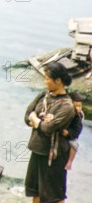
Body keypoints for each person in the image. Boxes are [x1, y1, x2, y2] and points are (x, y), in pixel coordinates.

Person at [24, 62, 75, 203]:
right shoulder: (43, 96)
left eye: (47, 78)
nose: (45, 81)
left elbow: (48, 128)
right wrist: (37, 120)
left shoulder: (66, 105)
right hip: (38, 149)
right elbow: (27, 114)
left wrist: (36, 120)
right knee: (36, 191)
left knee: (55, 195)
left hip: (54, 155)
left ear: (58, 80)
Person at [63, 92, 85, 171]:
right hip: (66, 131)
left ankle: (69, 162)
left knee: (74, 144)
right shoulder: (65, 113)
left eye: (80, 106)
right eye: (75, 106)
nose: (78, 108)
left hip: (73, 134)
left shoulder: (79, 116)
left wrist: (68, 133)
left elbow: (77, 131)